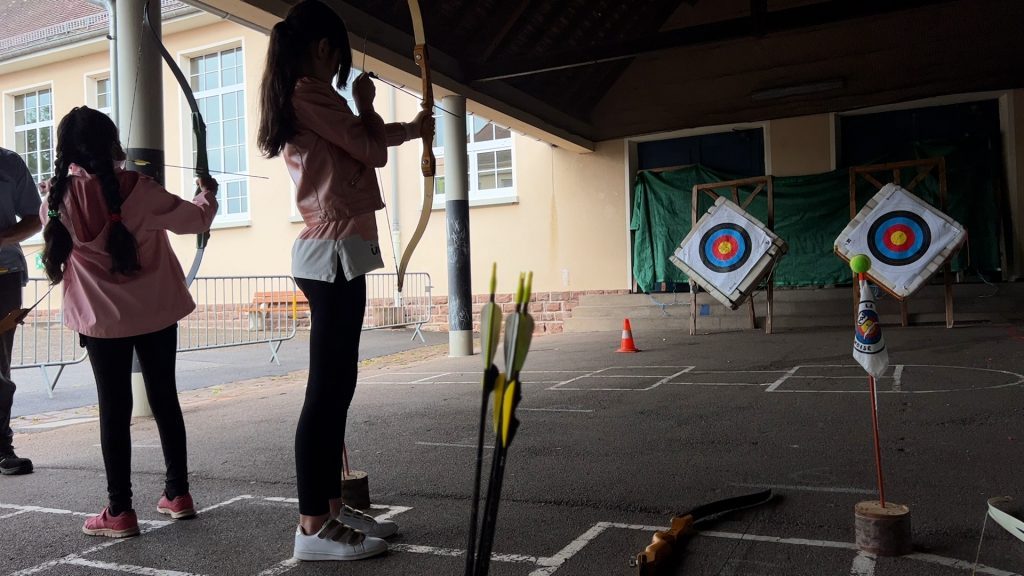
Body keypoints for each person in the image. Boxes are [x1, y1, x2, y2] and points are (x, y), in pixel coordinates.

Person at [257, 0, 432, 562]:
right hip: (329, 253)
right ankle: (312, 525)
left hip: (342, 252)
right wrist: (368, 107)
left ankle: (330, 507)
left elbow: (366, 144)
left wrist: (404, 126)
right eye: (340, 59)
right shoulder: (309, 94)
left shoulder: (311, 94)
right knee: (326, 390)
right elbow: (370, 148)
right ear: (325, 49)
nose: (341, 69)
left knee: (340, 384)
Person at [39, 106, 218, 537]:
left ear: (65, 149)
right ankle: (178, 494)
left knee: (113, 412)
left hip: (101, 324)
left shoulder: (55, 199)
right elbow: (197, 219)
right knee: (164, 399)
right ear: (111, 143)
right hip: (156, 311)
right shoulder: (141, 189)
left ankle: (119, 511)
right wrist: (206, 193)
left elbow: (53, 247)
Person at [0, 147, 43, 476]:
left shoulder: (9, 162)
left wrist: (3, 237)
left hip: (4, 275)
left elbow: (34, 218)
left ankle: (2, 445)